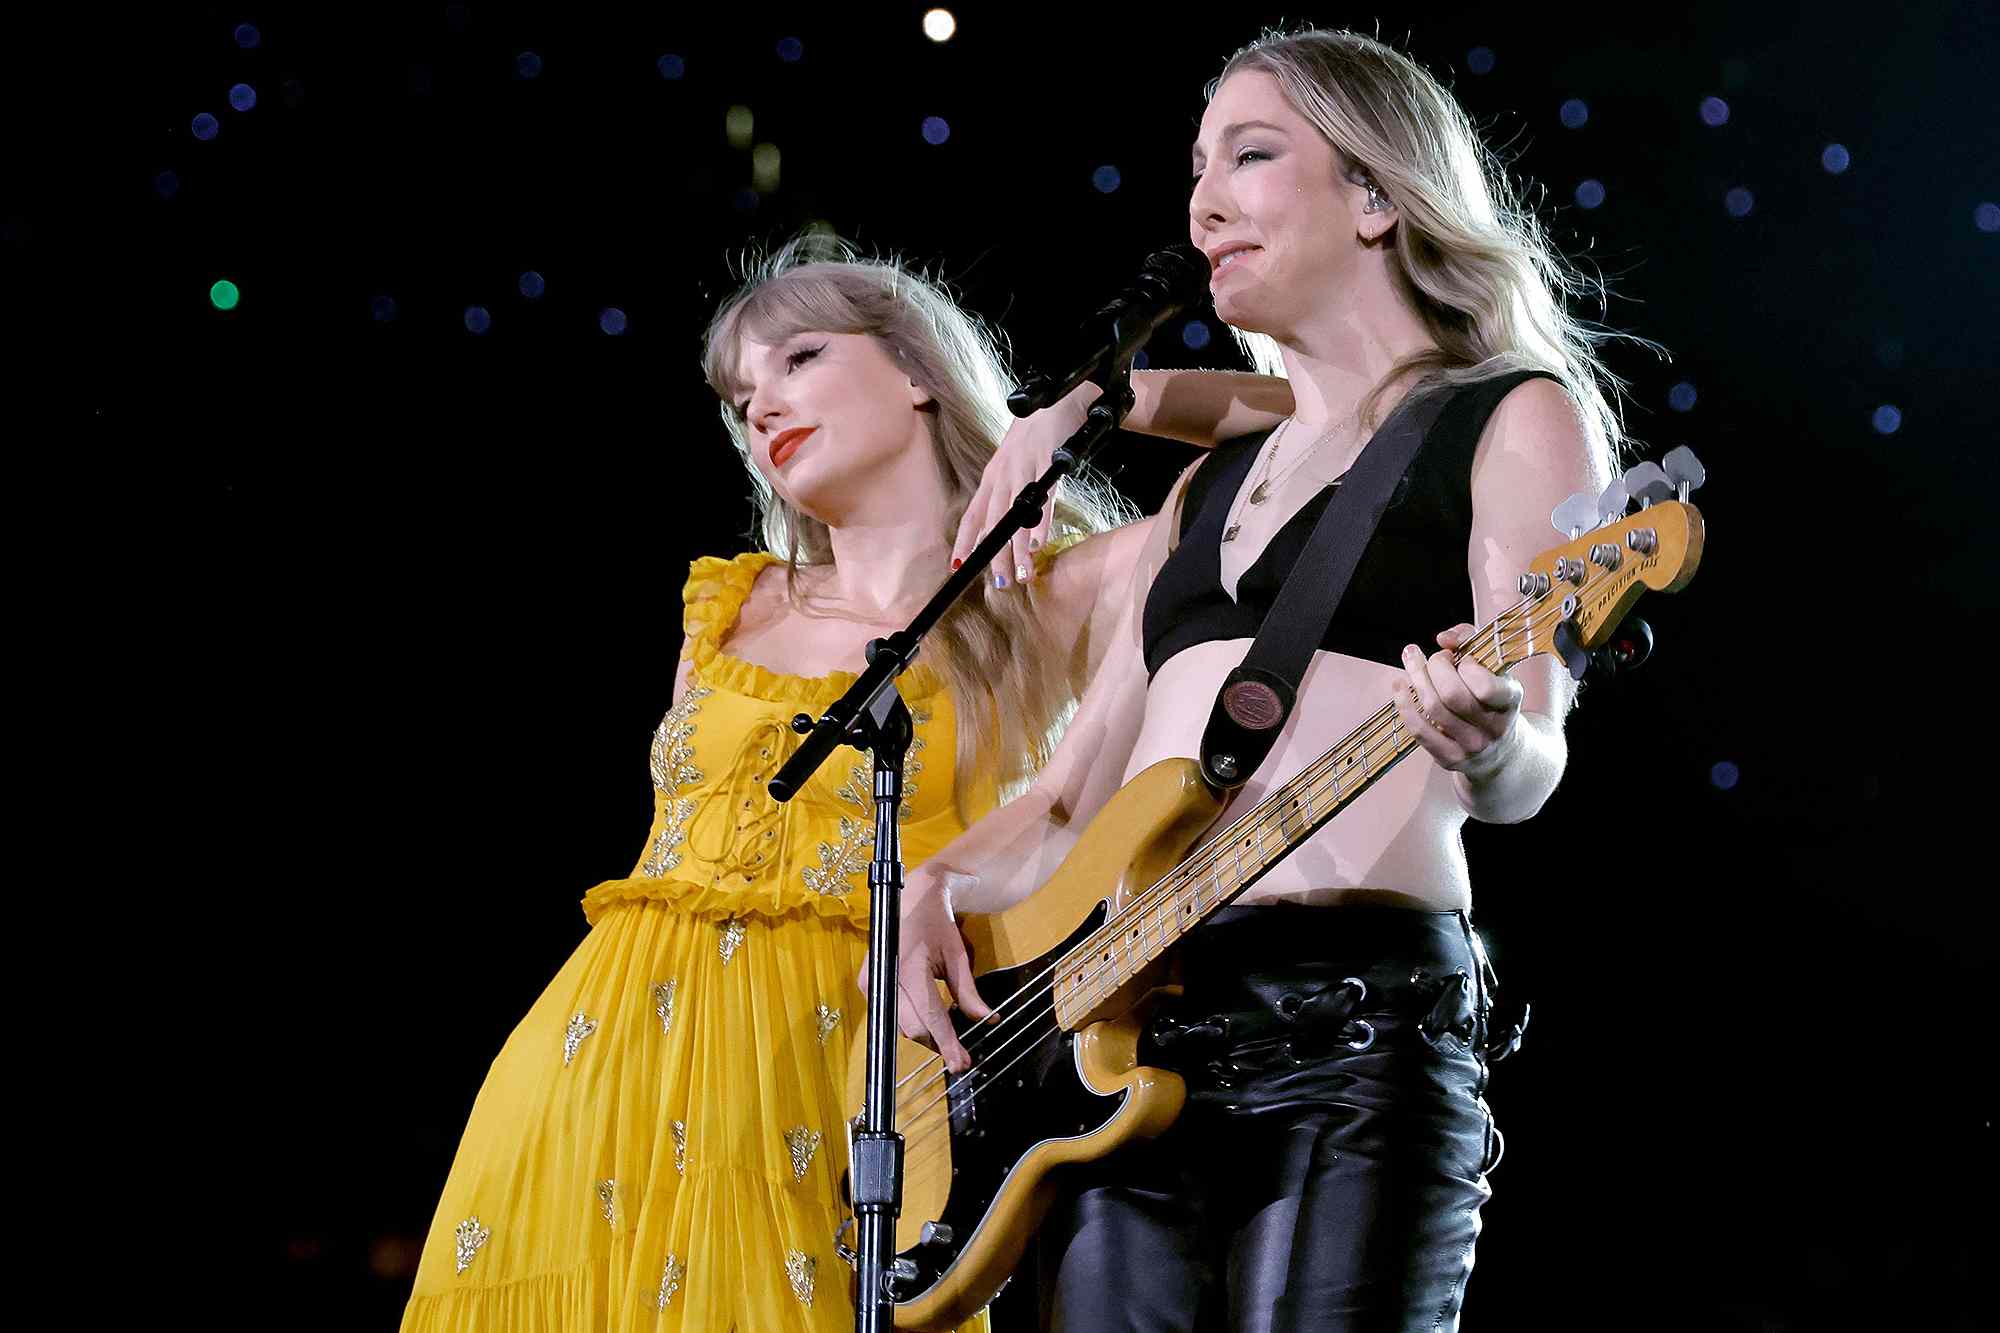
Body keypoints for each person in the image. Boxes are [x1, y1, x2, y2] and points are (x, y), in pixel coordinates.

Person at [397, 235, 1281, 1332]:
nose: (760, 407)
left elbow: (1310, 426)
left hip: (854, 1087)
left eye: (798, 359)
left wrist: (1085, 408)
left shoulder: (1048, 596)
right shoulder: (728, 603)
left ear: (916, 370)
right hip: (599, 1076)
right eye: (738, 396)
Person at [890, 28, 1633, 1332]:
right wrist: (936, 885)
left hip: (1359, 1039)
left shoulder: (1511, 416)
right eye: (1194, 168)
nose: (1202, 201)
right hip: (1134, 1052)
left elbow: (1534, 763)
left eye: (1251, 153)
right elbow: (1071, 803)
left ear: (1375, 195)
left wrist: (1480, 742)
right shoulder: (1204, 488)